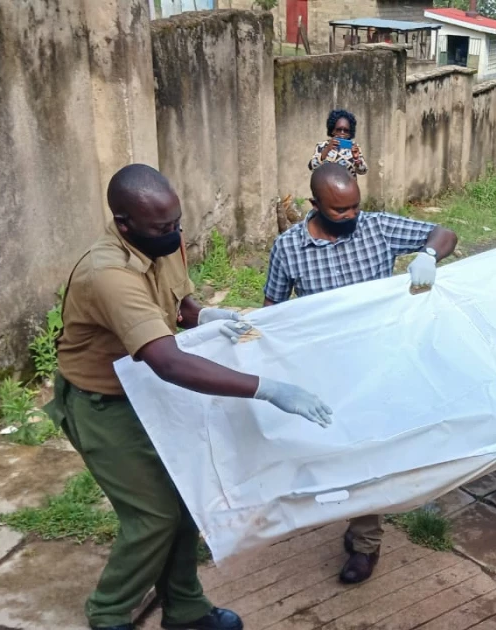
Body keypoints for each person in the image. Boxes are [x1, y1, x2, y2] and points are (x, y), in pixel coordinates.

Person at [49, 164, 333, 630]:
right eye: (163, 227)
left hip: (145, 393)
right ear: (125, 224)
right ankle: (109, 614)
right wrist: (267, 389)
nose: (175, 234)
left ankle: (184, 610)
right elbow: (168, 361)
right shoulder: (108, 274)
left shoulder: (159, 241)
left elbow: (177, 306)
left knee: (185, 501)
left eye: (177, 222)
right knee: (153, 517)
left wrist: (204, 316)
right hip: (102, 404)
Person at [263, 162, 458, 582]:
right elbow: (273, 311)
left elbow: (444, 233)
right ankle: (336, 511)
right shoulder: (288, 249)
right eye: (339, 211)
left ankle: (364, 543)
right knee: (334, 451)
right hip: (324, 369)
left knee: (369, 453)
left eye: (355, 206)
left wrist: (428, 254)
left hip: (377, 365)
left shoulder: (376, 228)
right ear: (315, 206)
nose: (351, 216)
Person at [309, 109, 368, 179]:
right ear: (332, 131)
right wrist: (327, 150)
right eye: (339, 129)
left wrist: (356, 159)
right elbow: (312, 167)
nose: (342, 133)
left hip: (348, 188)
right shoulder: (322, 146)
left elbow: (363, 171)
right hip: (326, 188)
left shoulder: (354, 147)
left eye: (346, 130)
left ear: (349, 133)